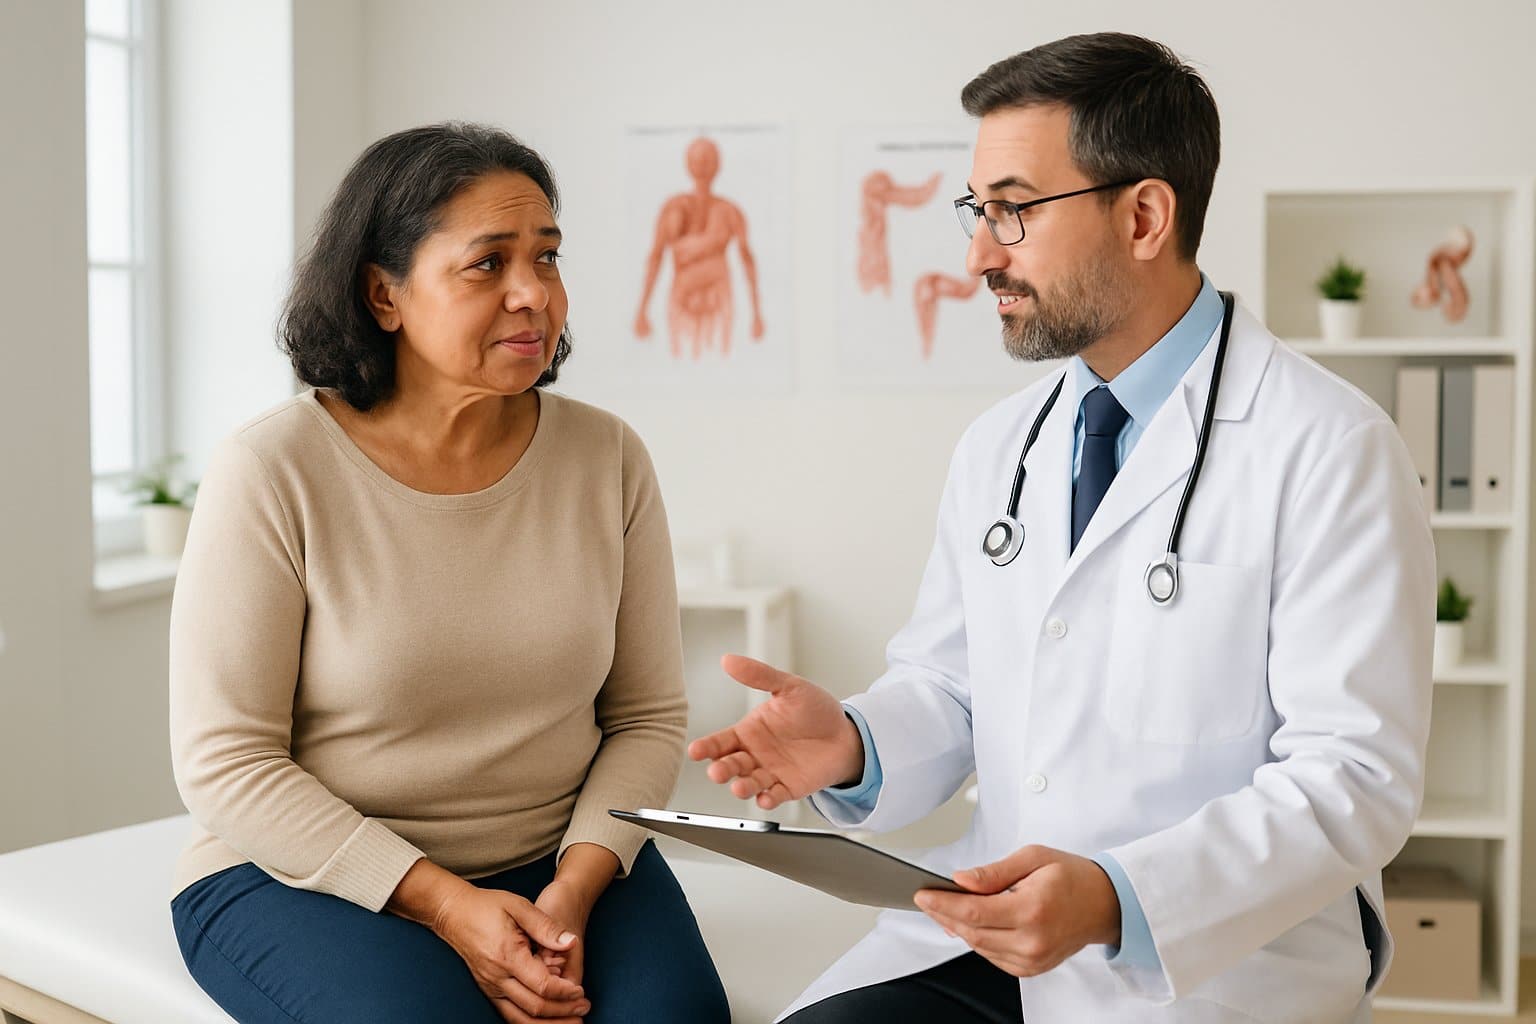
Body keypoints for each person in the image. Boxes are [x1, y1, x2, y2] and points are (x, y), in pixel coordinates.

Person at [691, 33, 1434, 1023]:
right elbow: (954, 686)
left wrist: (1117, 896)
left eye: (1014, 210)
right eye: (977, 210)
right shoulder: (1002, 448)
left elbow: (1354, 778)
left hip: (1211, 958)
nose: (976, 253)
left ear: (1144, 216)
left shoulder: (1330, 446)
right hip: (991, 927)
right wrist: (855, 745)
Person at [169, 122, 730, 1024]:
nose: (533, 296)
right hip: (304, 874)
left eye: (546, 260)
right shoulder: (273, 470)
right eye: (488, 264)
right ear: (383, 294)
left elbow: (646, 717)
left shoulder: (607, 458)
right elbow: (227, 762)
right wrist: (445, 904)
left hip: (561, 859)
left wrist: (574, 890)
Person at [634, 136, 765, 358]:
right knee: (681, 359)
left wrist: (757, 313)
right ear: (688, 163)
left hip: (718, 301)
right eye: (698, 158)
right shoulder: (673, 208)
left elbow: (747, 259)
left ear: (717, 164)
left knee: (719, 358)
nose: (703, 164)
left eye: (708, 158)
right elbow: (656, 257)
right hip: (682, 302)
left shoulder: (729, 211)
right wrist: (642, 309)